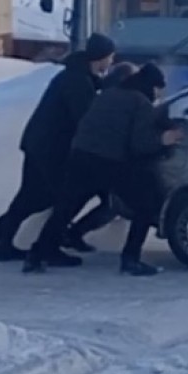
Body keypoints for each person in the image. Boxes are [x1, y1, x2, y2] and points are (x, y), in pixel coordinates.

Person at [24, 62, 182, 276]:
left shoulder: (108, 94)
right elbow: (139, 143)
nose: (159, 95)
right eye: (158, 90)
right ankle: (130, 259)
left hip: (80, 156)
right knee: (147, 205)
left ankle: (38, 254)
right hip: (110, 161)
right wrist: (163, 139)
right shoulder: (140, 102)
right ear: (152, 86)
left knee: (67, 206)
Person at [0, 33, 115, 261]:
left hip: (40, 143)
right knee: (53, 196)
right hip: (48, 147)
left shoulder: (77, 75)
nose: (112, 62)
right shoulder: (77, 81)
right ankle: (39, 246)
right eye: (111, 57)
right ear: (101, 57)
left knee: (33, 196)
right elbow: (84, 118)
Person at [60, 61, 138, 252]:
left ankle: (60, 235)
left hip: (85, 155)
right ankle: (70, 234)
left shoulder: (103, 96)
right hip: (101, 158)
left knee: (78, 199)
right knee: (112, 204)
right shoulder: (123, 100)